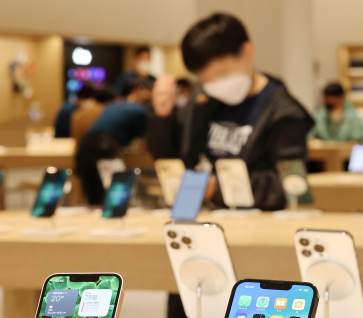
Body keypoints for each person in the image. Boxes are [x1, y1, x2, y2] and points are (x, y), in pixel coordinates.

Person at [148, 13, 313, 211]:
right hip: (195, 216)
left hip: (251, 227)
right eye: (206, 79)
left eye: (222, 73)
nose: (215, 85)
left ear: (247, 53)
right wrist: (162, 118)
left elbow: (290, 187)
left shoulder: (285, 114)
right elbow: (170, 157)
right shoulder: (203, 100)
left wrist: (218, 188)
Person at [75, 79, 150, 204]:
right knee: (113, 196)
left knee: (94, 199)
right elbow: (141, 143)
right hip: (103, 147)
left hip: (84, 148)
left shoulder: (113, 106)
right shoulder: (140, 110)